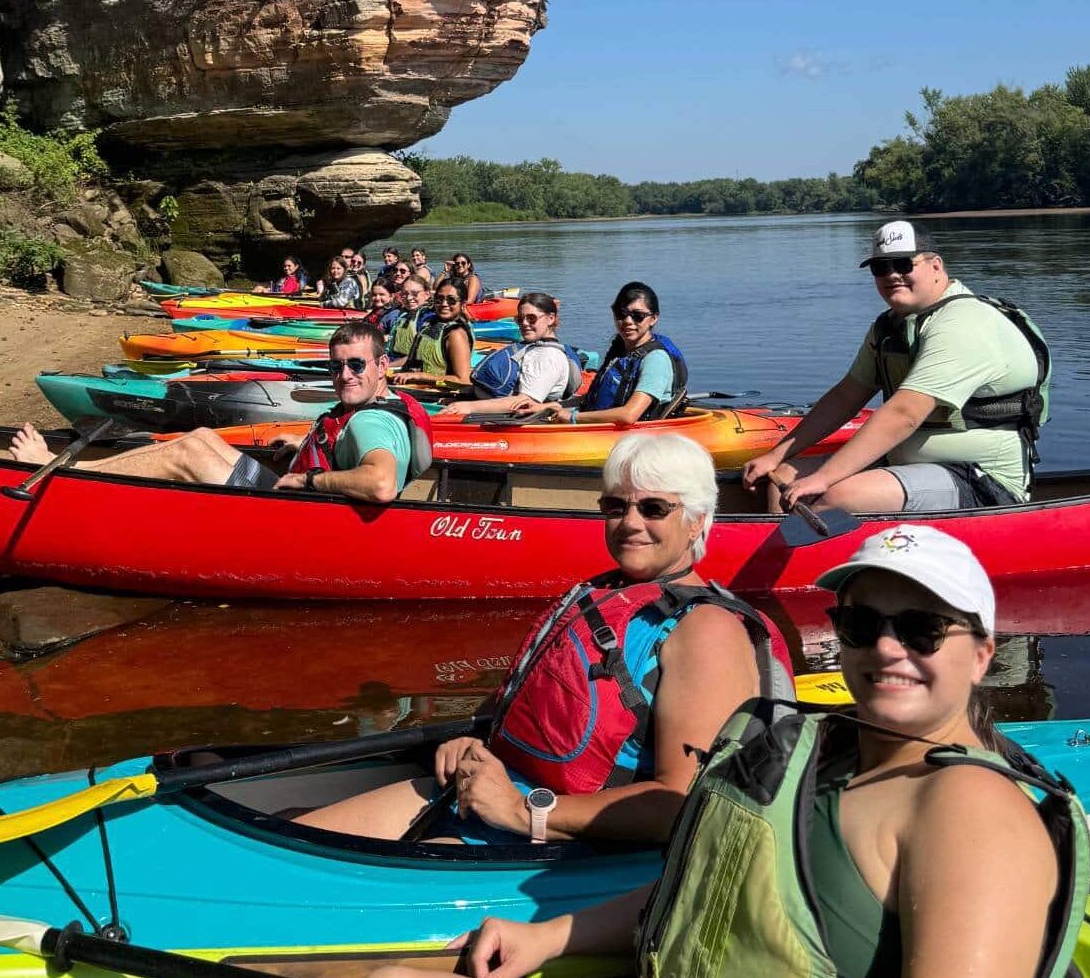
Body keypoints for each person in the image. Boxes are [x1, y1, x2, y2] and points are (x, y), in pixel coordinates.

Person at [446, 525, 1087, 978]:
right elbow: (716, 888)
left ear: (981, 655)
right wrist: (549, 935)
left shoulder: (970, 812)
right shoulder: (829, 753)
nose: (889, 650)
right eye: (862, 626)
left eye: (922, 630)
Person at [297, 432, 792, 843]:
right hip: (497, 792)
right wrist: (472, 742)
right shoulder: (606, 591)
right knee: (297, 839)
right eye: (616, 505)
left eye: (655, 507)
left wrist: (523, 812)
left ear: (698, 521)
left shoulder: (705, 630)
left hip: (563, 841)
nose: (630, 522)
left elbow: (679, 805)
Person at [741, 220, 1051, 516]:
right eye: (881, 267)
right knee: (783, 476)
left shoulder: (964, 323)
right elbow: (845, 397)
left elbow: (906, 412)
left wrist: (825, 477)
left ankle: (809, 565)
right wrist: (775, 455)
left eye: (904, 264)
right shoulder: (889, 327)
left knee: (838, 496)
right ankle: (776, 561)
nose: (892, 275)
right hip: (901, 466)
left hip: (980, 479)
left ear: (936, 266)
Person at [7, 322, 431, 503]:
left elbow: (380, 484)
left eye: (356, 365)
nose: (344, 375)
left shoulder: (372, 420)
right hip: (292, 496)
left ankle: (64, 477)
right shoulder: (379, 408)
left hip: (287, 511)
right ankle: (89, 474)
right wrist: (302, 448)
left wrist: (308, 476)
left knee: (187, 452)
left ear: (382, 367)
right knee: (204, 437)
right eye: (336, 366)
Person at [548, 281, 687, 425]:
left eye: (637, 315)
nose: (628, 321)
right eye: (621, 314)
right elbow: (592, 398)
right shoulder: (620, 352)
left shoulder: (656, 360)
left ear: (653, 318)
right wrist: (551, 407)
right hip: (600, 433)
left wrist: (572, 418)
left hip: (632, 440)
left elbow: (629, 415)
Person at [437, 293, 580, 417]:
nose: (524, 324)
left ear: (550, 318)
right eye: (520, 319)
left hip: (508, 419)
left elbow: (524, 404)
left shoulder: (547, 356)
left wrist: (467, 407)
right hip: (483, 401)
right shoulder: (533, 348)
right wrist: (467, 396)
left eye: (531, 318)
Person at [397, 282, 475, 383]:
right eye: (439, 299)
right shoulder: (430, 323)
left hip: (438, 394)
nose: (444, 304)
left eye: (451, 300)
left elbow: (463, 380)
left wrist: (420, 376)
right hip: (412, 385)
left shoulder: (456, 334)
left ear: (463, 305)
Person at [384, 275, 433, 363]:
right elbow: (395, 337)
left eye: (415, 293)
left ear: (427, 294)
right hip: (391, 359)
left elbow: (420, 355)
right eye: (405, 294)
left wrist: (387, 366)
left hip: (406, 366)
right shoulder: (404, 314)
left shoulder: (428, 318)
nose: (409, 298)